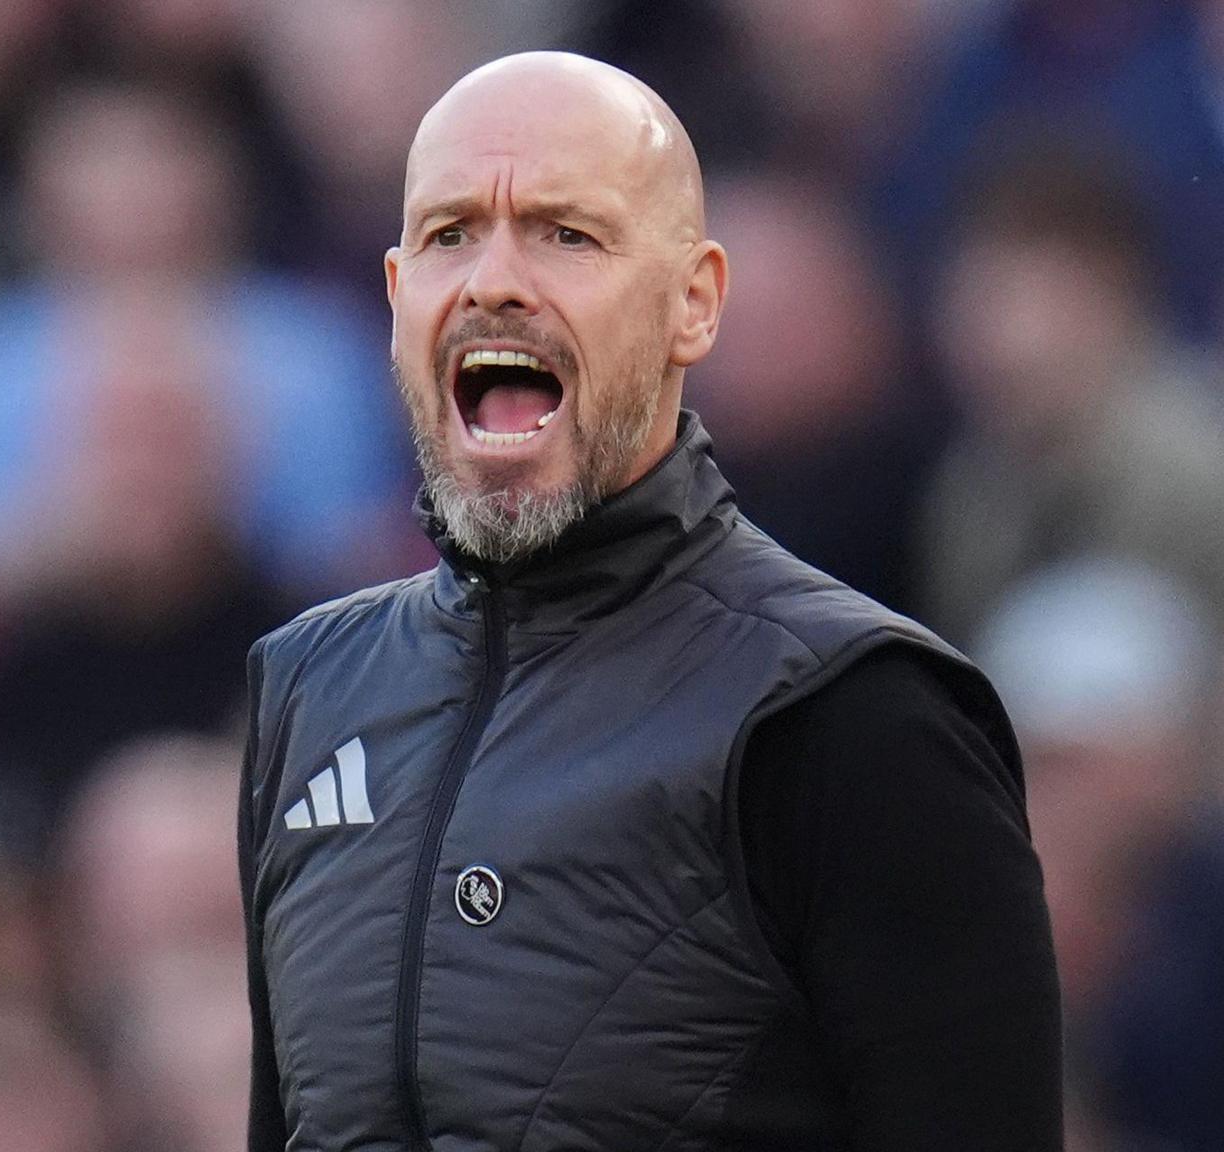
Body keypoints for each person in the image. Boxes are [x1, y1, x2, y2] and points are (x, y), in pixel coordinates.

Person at [238, 52, 1062, 1150]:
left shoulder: (851, 712)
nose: (492, 281)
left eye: (563, 234)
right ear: (396, 302)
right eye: (447, 236)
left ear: (692, 304)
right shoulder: (307, 689)